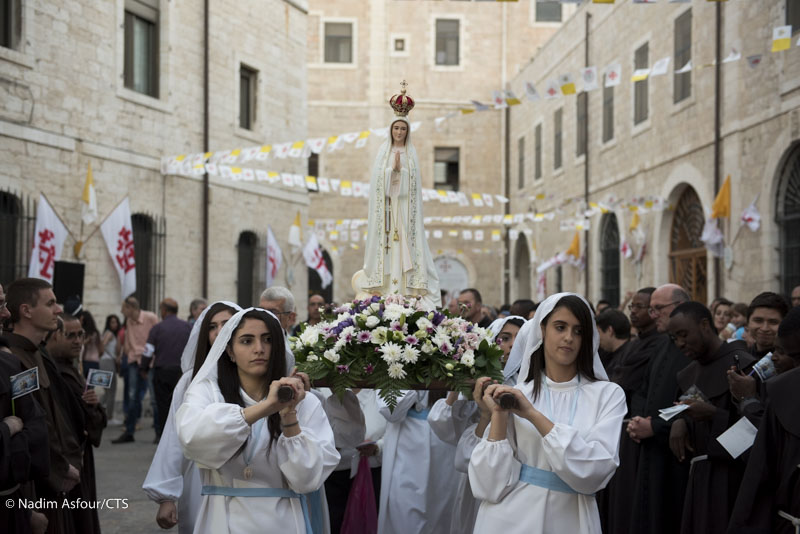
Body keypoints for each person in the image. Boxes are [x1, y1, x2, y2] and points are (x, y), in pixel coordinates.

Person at [468, 293, 626, 533]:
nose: (569, 337)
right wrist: (498, 414)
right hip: (510, 519)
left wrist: (532, 415)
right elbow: (488, 486)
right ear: (542, 330)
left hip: (571, 519)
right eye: (560, 327)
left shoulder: (607, 395)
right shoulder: (519, 393)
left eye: (578, 331)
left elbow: (596, 470)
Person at [176, 308, 339, 533]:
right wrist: (266, 407)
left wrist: (288, 415)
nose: (259, 349)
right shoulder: (207, 393)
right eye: (246, 341)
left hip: (283, 522)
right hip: (222, 520)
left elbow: (307, 480)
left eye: (268, 340)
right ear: (230, 351)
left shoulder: (304, 402)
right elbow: (192, 439)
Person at [143, 301, 240, 534]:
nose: (219, 332)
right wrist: (166, 495)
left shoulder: (257, 375)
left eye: (226, 324)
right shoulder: (191, 381)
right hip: (201, 479)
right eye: (212, 327)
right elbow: (174, 436)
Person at [666, 302, 755, 534]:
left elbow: (756, 431)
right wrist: (680, 421)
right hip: (697, 480)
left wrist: (714, 415)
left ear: (705, 325)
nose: (680, 343)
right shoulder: (687, 374)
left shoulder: (742, 365)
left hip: (733, 481)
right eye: (674, 338)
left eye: (684, 334)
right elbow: (684, 410)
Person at [4, 278, 84, 533]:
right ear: (26, 311)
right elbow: (30, 421)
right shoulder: (14, 359)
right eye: (50, 303)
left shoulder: (37, 354)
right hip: (36, 484)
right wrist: (59, 468)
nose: (58, 310)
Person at [352, 83, 442, 308]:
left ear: (407, 131)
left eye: (403, 129)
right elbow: (377, 186)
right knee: (387, 249)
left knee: (404, 248)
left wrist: (402, 172)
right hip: (386, 212)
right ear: (391, 130)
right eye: (396, 128)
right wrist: (391, 171)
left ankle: (404, 290)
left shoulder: (411, 155)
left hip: (404, 211)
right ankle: (384, 290)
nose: (399, 132)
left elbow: (413, 188)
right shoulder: (383, 153)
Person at [622, 287, 691, 534]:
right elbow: (643, 389)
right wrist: (639, 420)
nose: (653, 316)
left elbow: (692, 402)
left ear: (680, 307)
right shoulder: (662, 345)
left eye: (658, 309)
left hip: (675, 456)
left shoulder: (692, 349)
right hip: (650, 447)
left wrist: (656, 426)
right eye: (651, 309)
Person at [728, 307, 800, 533]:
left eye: (783, 352)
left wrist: (749, 401)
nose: (773, 357)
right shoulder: (777, 386)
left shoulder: (783, 387)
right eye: (758, 320)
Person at [47, 313, 107, 534]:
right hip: (68, 456)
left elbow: (91, 416)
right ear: (54, 336)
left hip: (81, 456)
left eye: (80, 335)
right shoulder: (55, 371)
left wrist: (94, 404)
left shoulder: (71, 368)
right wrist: (91, 411)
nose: (78, 341)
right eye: (70, 335)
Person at [0, 283, 50, 534]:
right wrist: (6, 430)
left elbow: (36, 428)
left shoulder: (10, 363)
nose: (6, 313)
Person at [377, 389, 459, 534]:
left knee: (443, 515)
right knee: (405, 514)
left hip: (445, 444)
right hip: (406, 445)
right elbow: (390, 410)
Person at [725, 292, 790, 428]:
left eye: (773, 322)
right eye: (758, 320)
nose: (765, 328)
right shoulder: (739, 357)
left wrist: (749, 397)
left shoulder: (789, 363)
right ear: (748, 323)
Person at [143, 298, 192, 442]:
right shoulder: (187, 327)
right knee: (181, 404)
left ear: (164, 310)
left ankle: (164, 437)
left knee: (163, 406)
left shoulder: (157, 328)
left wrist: (143, 368)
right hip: (182, 373)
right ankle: (181, 436)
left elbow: (148, 351)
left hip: (162, 372)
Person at [113, 296, 159, 444]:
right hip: (134, 360)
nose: (122, 311)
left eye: (124, 308)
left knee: (154, 398)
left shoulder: (150, 317)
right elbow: (127, 340)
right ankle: (129, 431)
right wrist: (127, 353)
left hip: (150, 360)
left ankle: (159, 433)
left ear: (131, 308)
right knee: (132, 396)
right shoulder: (129, 321)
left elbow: (158, 336)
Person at [259, 286, 297, 369]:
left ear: (290, 318)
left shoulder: (297, 350)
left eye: (272, 312)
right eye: (261, 311)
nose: (264, 316)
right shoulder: (249, 345)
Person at [596, 308, 632, 378]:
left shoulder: (628, 359)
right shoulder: (608, 354)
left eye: (598, 332)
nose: (597, 338)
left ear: (610, 331)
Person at [100, 314, 122, 425]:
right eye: (112, 322)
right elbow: (102, 345)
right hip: (108, 362)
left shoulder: (107, 333)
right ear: (108, 324)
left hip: (104, 362)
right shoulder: (109, 334)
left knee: (107, 392)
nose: (115, 324)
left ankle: (98, 412)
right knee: (111, 391)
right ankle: (109, 417)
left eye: (116, 322)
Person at [78, 310, 103, 378]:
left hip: (85, 361)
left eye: (81, 320)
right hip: (95, 361)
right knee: (92, 383)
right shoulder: (96, 333)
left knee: (84, 382)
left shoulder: (82, 333)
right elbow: (101, 350)